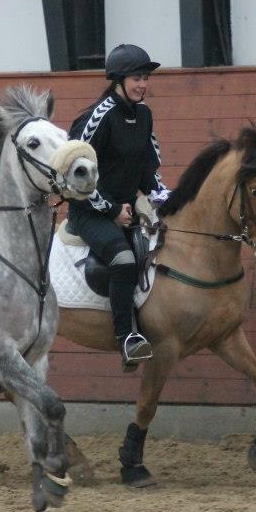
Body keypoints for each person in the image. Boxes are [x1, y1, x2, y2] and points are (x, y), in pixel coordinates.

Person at [67, 44, 172, 371]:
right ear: (118, 80)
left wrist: (166, 198)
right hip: (89, 211)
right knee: (124, 260)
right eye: (136, 78)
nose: (142, 84)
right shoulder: (97, 116)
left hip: (127, 209)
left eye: (145, 78)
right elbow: (76, 174)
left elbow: (147, 170)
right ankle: (126, 337)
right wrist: (111, 209)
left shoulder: (144, 115)